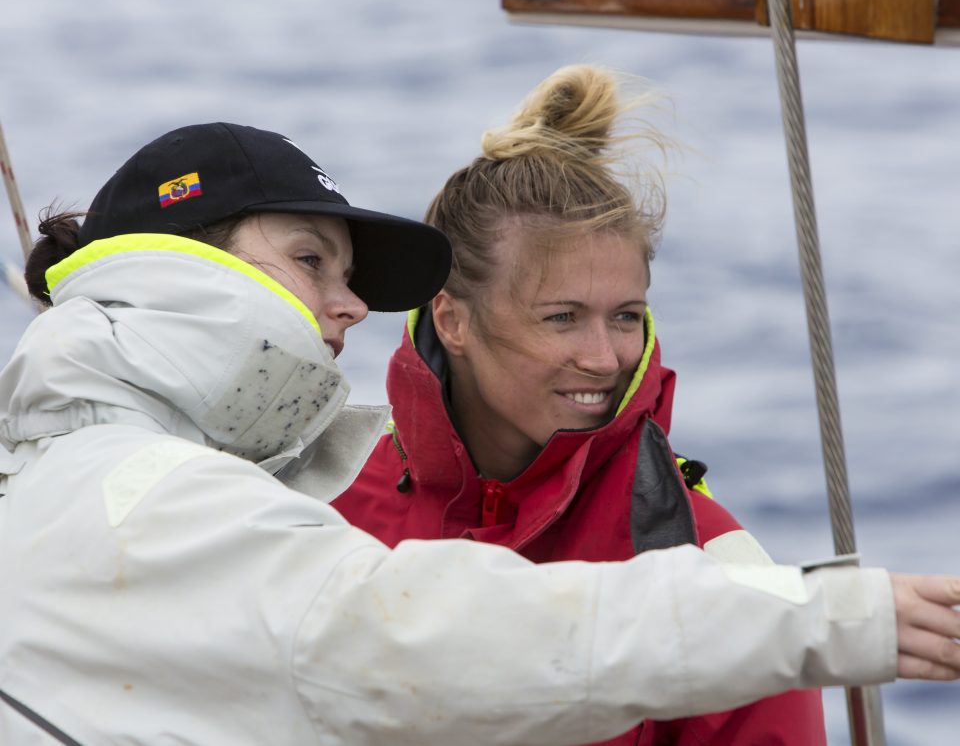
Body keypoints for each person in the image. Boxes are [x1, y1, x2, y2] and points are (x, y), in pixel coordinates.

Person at [0, 121, 956, 746]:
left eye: (627, 316)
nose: (349, 307)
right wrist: (827, 618)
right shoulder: (207, 503)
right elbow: (415, 635)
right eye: (310, 261)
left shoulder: (699, 547)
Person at [330, 65, 960, 745]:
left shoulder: (712, 564)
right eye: (563, 317)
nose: (605, 358)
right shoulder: (324, 502)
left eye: (626, 316)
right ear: (452, 322)